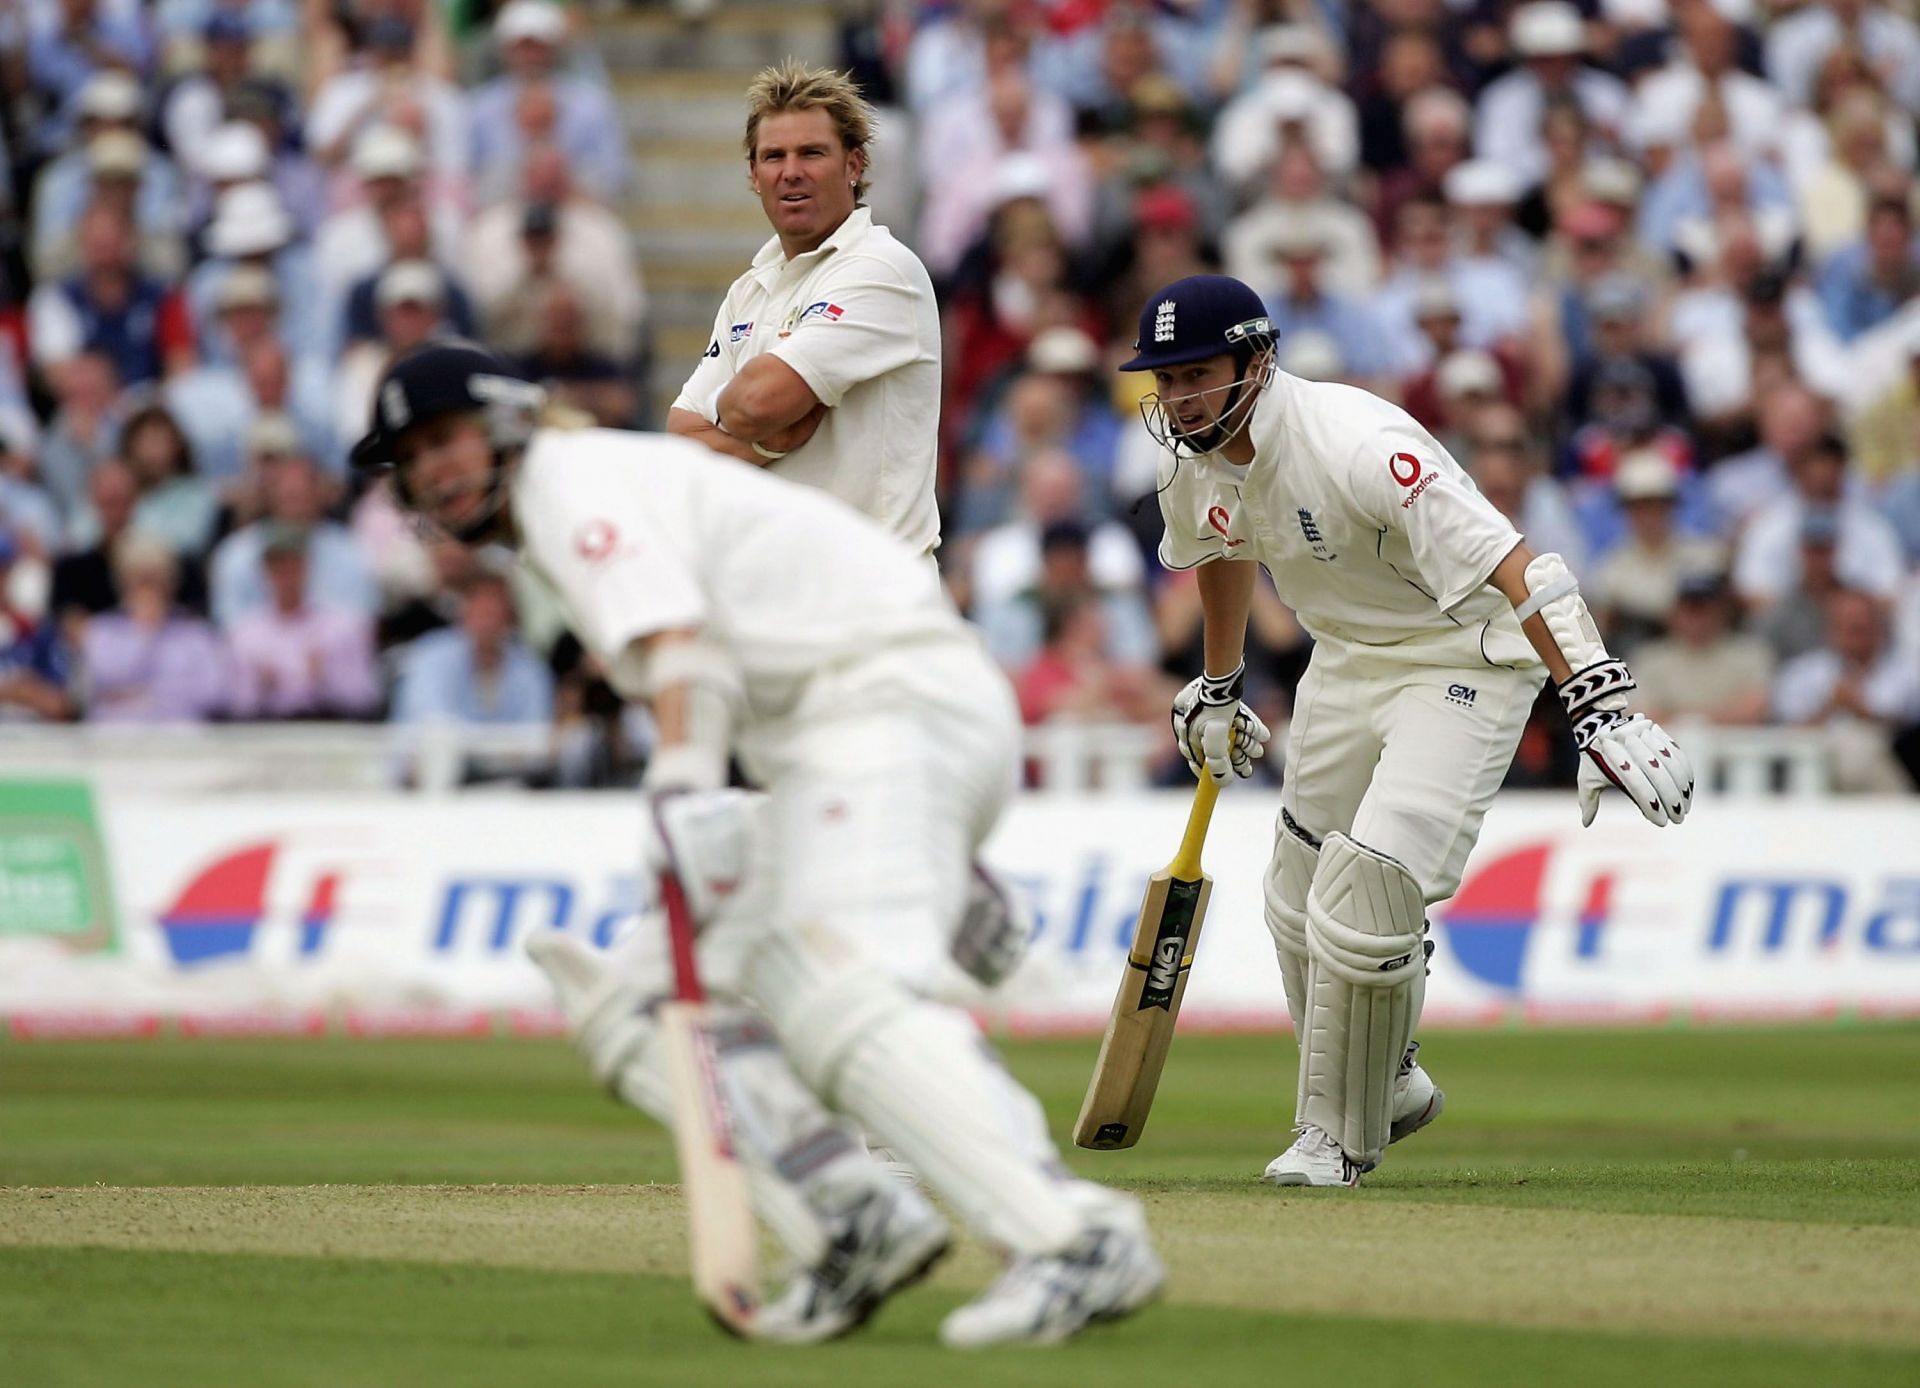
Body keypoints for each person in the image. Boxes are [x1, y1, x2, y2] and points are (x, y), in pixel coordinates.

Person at [350, 340, 1162, 1345]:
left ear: (505, 420)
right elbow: (740, 659)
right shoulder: (586, 499)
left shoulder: (570, 479)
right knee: (635, 1002)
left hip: (888, 706)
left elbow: (685, 646)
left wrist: (685, 786)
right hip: (851, 736)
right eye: (411, 455)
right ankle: (851, 1214)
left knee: (845, 990)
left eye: (445, 437)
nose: (433, 467)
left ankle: (1073, 1236)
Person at [1118, 275, 1694, 1187]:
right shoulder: (1187, 458)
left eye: (1198, 374)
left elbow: (1518, 568)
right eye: (1166, 380)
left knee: (1367, 896)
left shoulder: (1357, 441)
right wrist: (1221, 682)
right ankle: (1386, 1080)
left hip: (1465, 656)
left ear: (1257, 361)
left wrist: (1598, 701)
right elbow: (1219, 550)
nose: (1180, 399)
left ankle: (1336, 1137)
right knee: (1294, 891)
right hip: (1346, 656)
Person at [668, 61, 942, 557]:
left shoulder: (882, 268)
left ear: (854, 166)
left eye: (812, 153)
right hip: (783, 593)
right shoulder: (749, 289)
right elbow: (682, 437)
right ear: (754, 175)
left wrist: (736, 418)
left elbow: (753, 404)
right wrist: (769, 443)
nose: (790, 171)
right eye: (773, 156)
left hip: (875, 596)